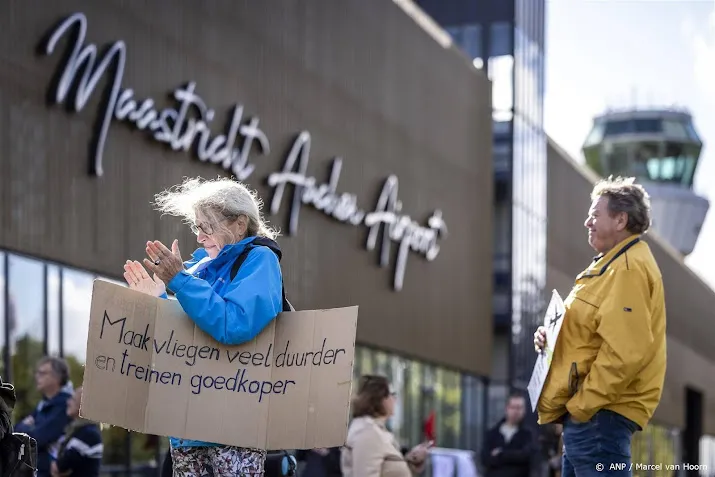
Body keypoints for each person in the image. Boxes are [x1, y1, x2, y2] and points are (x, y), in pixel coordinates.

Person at [122, 177, 284, 477]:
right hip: (188, 426)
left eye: (206, 226)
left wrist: (180, 282)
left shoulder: (260, 259)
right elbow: (183, 337)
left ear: (239, 224)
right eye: (196, 227)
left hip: (235, 426)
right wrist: (156, 299)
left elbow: (234, 325)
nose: (198, 237)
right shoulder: (198, 268)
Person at [533, 176, 666, 477]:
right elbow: (593, 337)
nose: (587, 222)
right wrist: (550, 338)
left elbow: (625, 352)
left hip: (598, 419)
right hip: (592, 420)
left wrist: (582, 406)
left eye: (595, 214)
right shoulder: (612, 266)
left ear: (621, 219)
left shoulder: (627, 269)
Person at [341, 375, 432, 477]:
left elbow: (387, 470)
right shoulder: (367, 432)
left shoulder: (374, 430)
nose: (395, 399)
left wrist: (410, 460)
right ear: (380, 398)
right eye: (392, 394)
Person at [14, 357, 74, 477]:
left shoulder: (65, 405)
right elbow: (16, 430)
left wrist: (27, 427)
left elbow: (38, 438)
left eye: (42, 373)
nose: (37, 377)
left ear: (57, 377)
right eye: (37, 373)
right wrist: (28, 428)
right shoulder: (44, 404)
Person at [49, 387, 103, 477]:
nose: (68, 402)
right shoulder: (78, 430)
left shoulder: (88, 434)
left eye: (73, 399)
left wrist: (58, 467)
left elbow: (60, 466)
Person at [480, 393, 534, 477]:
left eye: (519, 408)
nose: (516, 411)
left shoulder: (528, 434)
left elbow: (526, 456)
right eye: (513, 407)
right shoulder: (492, 433)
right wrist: (513, 457)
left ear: (524, 410)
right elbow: (485, 458)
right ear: (507, 408)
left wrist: (500, 453)